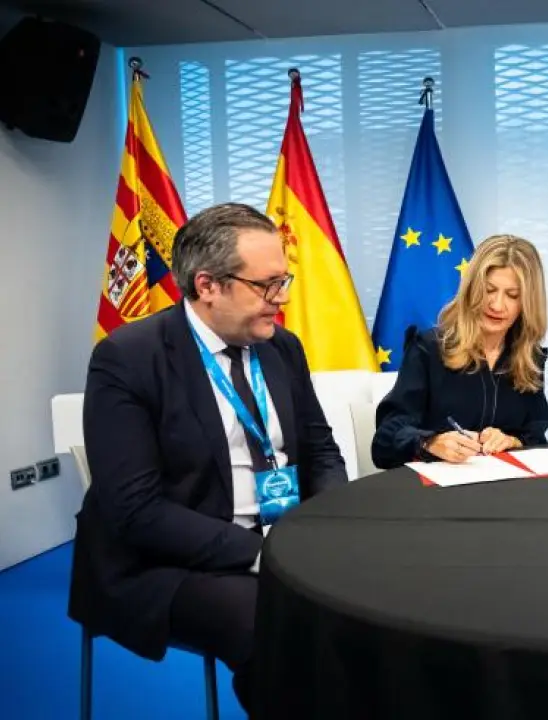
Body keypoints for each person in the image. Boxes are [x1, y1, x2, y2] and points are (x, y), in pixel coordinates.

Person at [68, 203, 348, 715]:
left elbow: (320, 449)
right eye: (267, 285)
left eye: (283, 280)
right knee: (282, 625)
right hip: (167, 561)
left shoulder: (282, 347)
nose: (282, 298)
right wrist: (261, 553)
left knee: (369, 604)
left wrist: (327, 526)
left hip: (280, 538)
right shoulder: (128, 358)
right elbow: (137, 511)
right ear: (208, 286)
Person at [373, 234, 548, 466]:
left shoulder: (529, 360)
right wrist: (429, 442)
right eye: (489, 290)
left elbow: (537, 438)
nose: (497, 305)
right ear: (472, 289)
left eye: (512, 295)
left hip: (503, 484)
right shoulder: (429, 349)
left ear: (527, 303)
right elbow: (385, 441)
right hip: (438, 485)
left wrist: (513, 441)